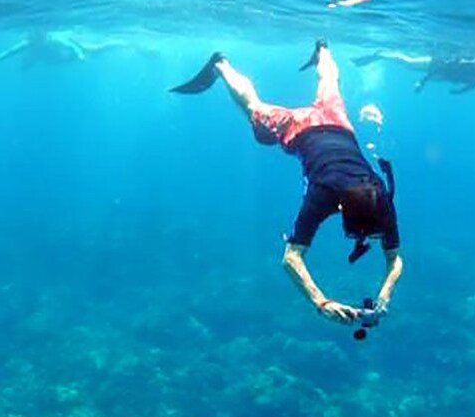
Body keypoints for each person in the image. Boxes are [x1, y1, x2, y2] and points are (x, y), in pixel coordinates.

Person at [170, 40, 403, 326]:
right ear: (342, 209)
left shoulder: (381, 198)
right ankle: (221, 65)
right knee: (253, 107)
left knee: (330, 82)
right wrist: (321, 301)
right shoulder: (327, 196)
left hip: (337, 124)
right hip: (299, 128)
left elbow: (394, 260)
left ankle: (323, 50)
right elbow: (290, 258)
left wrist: (384, 297)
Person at [352, 49, 475, 94]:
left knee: (408, 66)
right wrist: (422, 82)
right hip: (435, 64)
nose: (474, 64)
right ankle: (379, 55)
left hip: (445, 76)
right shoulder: (464, 63)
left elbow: (474, 85)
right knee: (407, 62)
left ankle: (381, 55)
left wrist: (460, 91)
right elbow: (441, 67)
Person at [0, 30, 138, 70]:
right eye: (34, 39)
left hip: (72, 52)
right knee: (30, 60)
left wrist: (80, 55)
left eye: (39, 38)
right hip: (56, 59)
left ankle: (128, 43)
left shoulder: (54, 39)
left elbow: (72, 46)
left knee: (96, 49)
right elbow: (9, 52)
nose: (36, 40)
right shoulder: (27, 44)